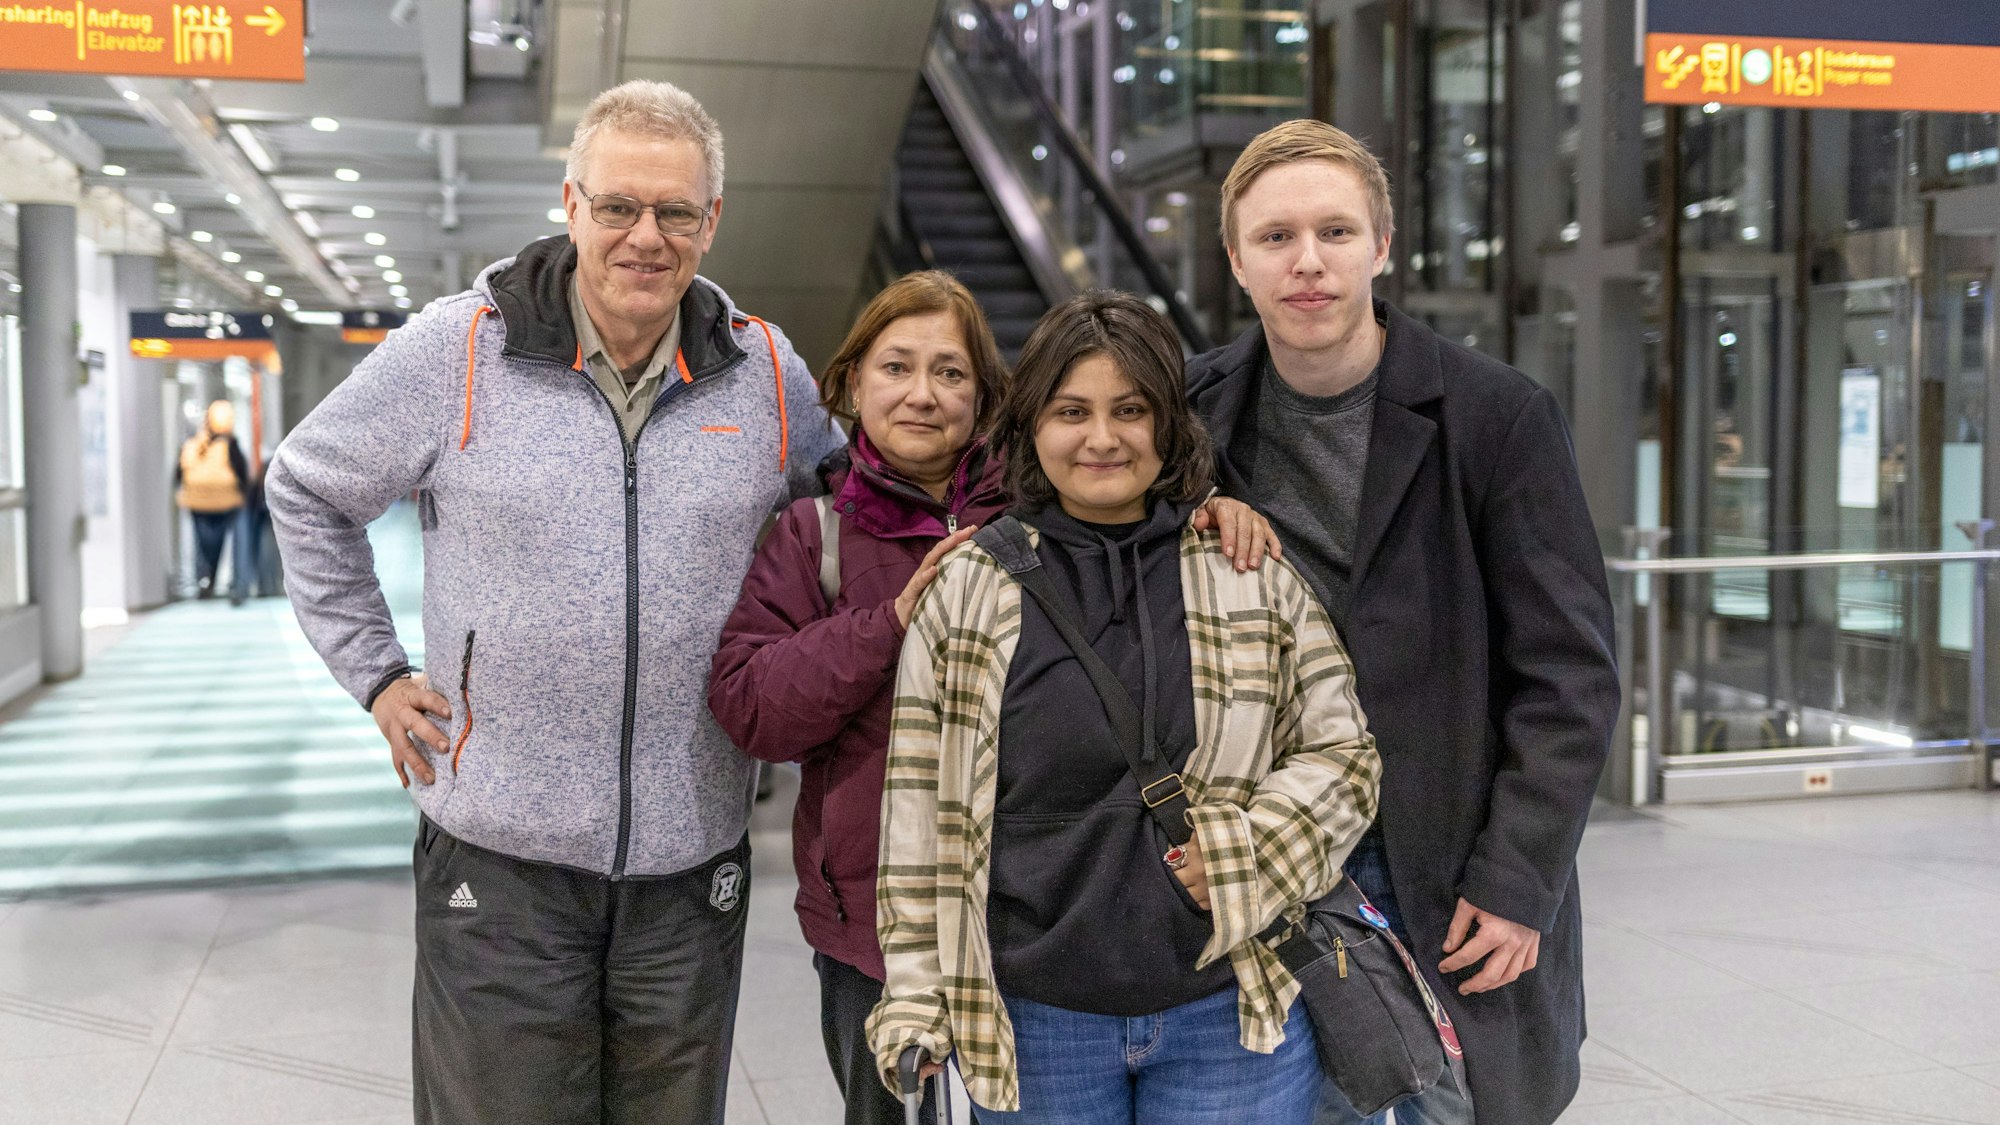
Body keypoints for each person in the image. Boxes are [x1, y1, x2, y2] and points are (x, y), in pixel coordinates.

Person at [265, 79, 844, 1125]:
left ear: (710, 222)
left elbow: (859, 506)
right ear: (570, 205)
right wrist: (379, 675)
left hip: (691, 857)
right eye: (617, 206)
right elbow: (306, 487)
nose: (644, 237)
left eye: (674, 211)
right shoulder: (459, 351)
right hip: (498, 860)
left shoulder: (761, 370)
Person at [708, 272, 1279, 1125]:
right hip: (870, 921)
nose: (923, 394)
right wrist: (891, 622)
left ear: (987, 399)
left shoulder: (1046, 512)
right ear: (853, 381)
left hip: (1022, 921)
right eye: (897, 366)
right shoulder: (814, 533)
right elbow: (751, 705)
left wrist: (1213, 507)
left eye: (951, 372)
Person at [1184, 119, 1621, 1125]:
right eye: (1275, 237)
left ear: (1380, 248)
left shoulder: (1494, 418)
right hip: (1276, 847)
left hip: (1450, 849)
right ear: (1236, 261)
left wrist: (1517, 881)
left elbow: (1570, 675)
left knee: (1455, 1104)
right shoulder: (1190, 415)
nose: (1307, 262)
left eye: (1335, 233)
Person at [865, 290, 1380, 1124]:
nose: (1102, 438)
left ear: (1169, 425)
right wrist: (918, 1001)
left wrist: (1248, 850)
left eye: (1130, 410)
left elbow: (1346, 757)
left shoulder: (1247, 570)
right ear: (1032, 422)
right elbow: (919, 815)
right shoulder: (966, 591)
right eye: (1072, 410)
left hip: (1230, 1007)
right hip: (1035, 1022)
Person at [176, 399, 250, 603]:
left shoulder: (193, 445)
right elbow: (242, 474)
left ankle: (205, 579)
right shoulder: (231, 445)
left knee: (204, 545)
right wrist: (244, 494)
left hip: (197, 503)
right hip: (228, 503)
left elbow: (178, 474)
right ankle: (235, 584)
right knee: (226, 543)